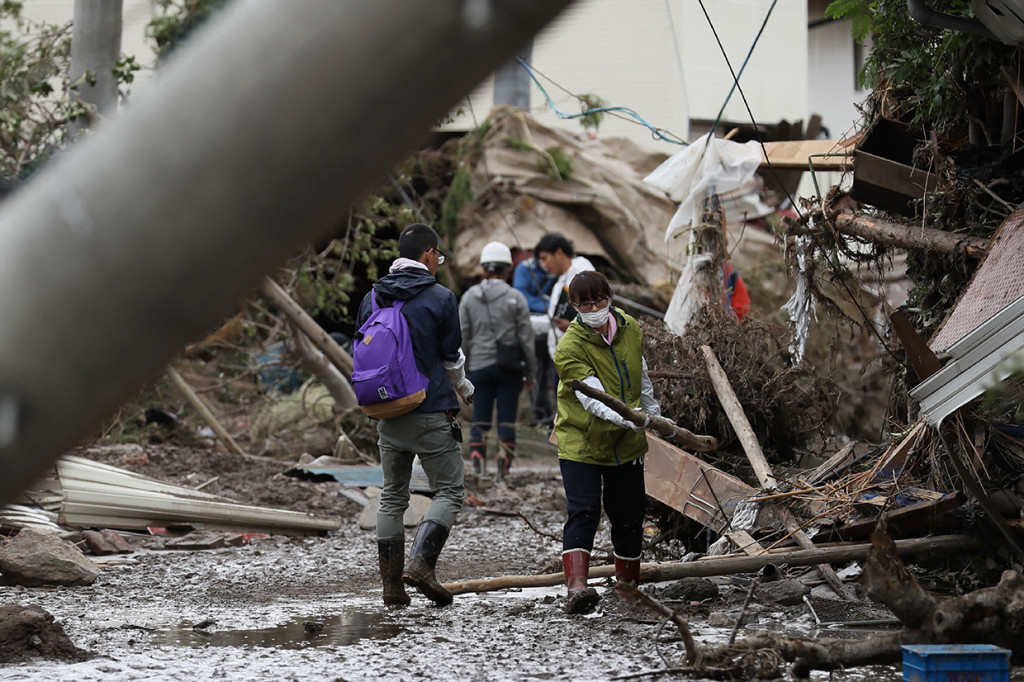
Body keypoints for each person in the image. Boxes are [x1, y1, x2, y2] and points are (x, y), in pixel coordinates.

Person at [355, 222, 474, 608]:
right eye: (437, 255)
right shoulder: (440, 297)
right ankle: (422, 564)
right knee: (450, 489)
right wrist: (464, 387)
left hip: (387, 410)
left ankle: (392, 588)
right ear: (428, 253)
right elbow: (450, 355)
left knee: (392, 495)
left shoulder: (372, 297)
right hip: (431, 407)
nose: (438, 261)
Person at [552, 271, 662, 614]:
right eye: (585, 304)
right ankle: (577, 588)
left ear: (609, 298)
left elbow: (641, 379)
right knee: (583, 510)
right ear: (574, 306)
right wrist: (632, 418)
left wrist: (655, 417)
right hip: (581, 440)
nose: (595, 309)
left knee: (629, 514)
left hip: (626, 443)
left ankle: (628, 588)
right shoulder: (569, 347)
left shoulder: (630, 329)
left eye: (599, 301)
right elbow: (593, 398)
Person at [460, 241, 537, 478]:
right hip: (509, 369)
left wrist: (463, 371)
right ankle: (503, 464)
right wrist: (530, 373)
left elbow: (463, 336)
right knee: (506, 418)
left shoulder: (469, 297)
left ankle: (477, 457)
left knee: (480, 416)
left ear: (484, 269)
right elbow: (526, 340)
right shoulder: (516, 298)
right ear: (507, 270)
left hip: (479, 367)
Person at [534, 232, 595, 362]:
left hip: (582, 356)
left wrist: (572, 326)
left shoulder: (581, 267)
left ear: (559, 252)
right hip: (562, 358)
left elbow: (594, 308)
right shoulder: (558, 285)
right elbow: (553, 321)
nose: (544, 265)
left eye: (545, 258)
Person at [512, 253, 556, 425]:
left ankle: (553, 417)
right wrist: (548, 305)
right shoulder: (524, 269)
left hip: (554, 332)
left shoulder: (556, 272)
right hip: (533, 332)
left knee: (554, 375)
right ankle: (541, 417)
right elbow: (522, 296)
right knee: (536, 373)